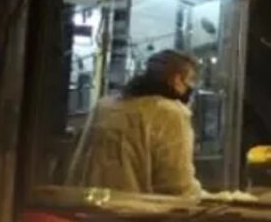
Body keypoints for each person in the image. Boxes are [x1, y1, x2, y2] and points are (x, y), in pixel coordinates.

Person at [67, 49, 203, 197]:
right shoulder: (170, 114)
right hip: (133, 214)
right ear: (176, 79)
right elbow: (178, 187)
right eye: (190, 80)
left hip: (84, 208)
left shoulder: (105, 105)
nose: (190, 87)